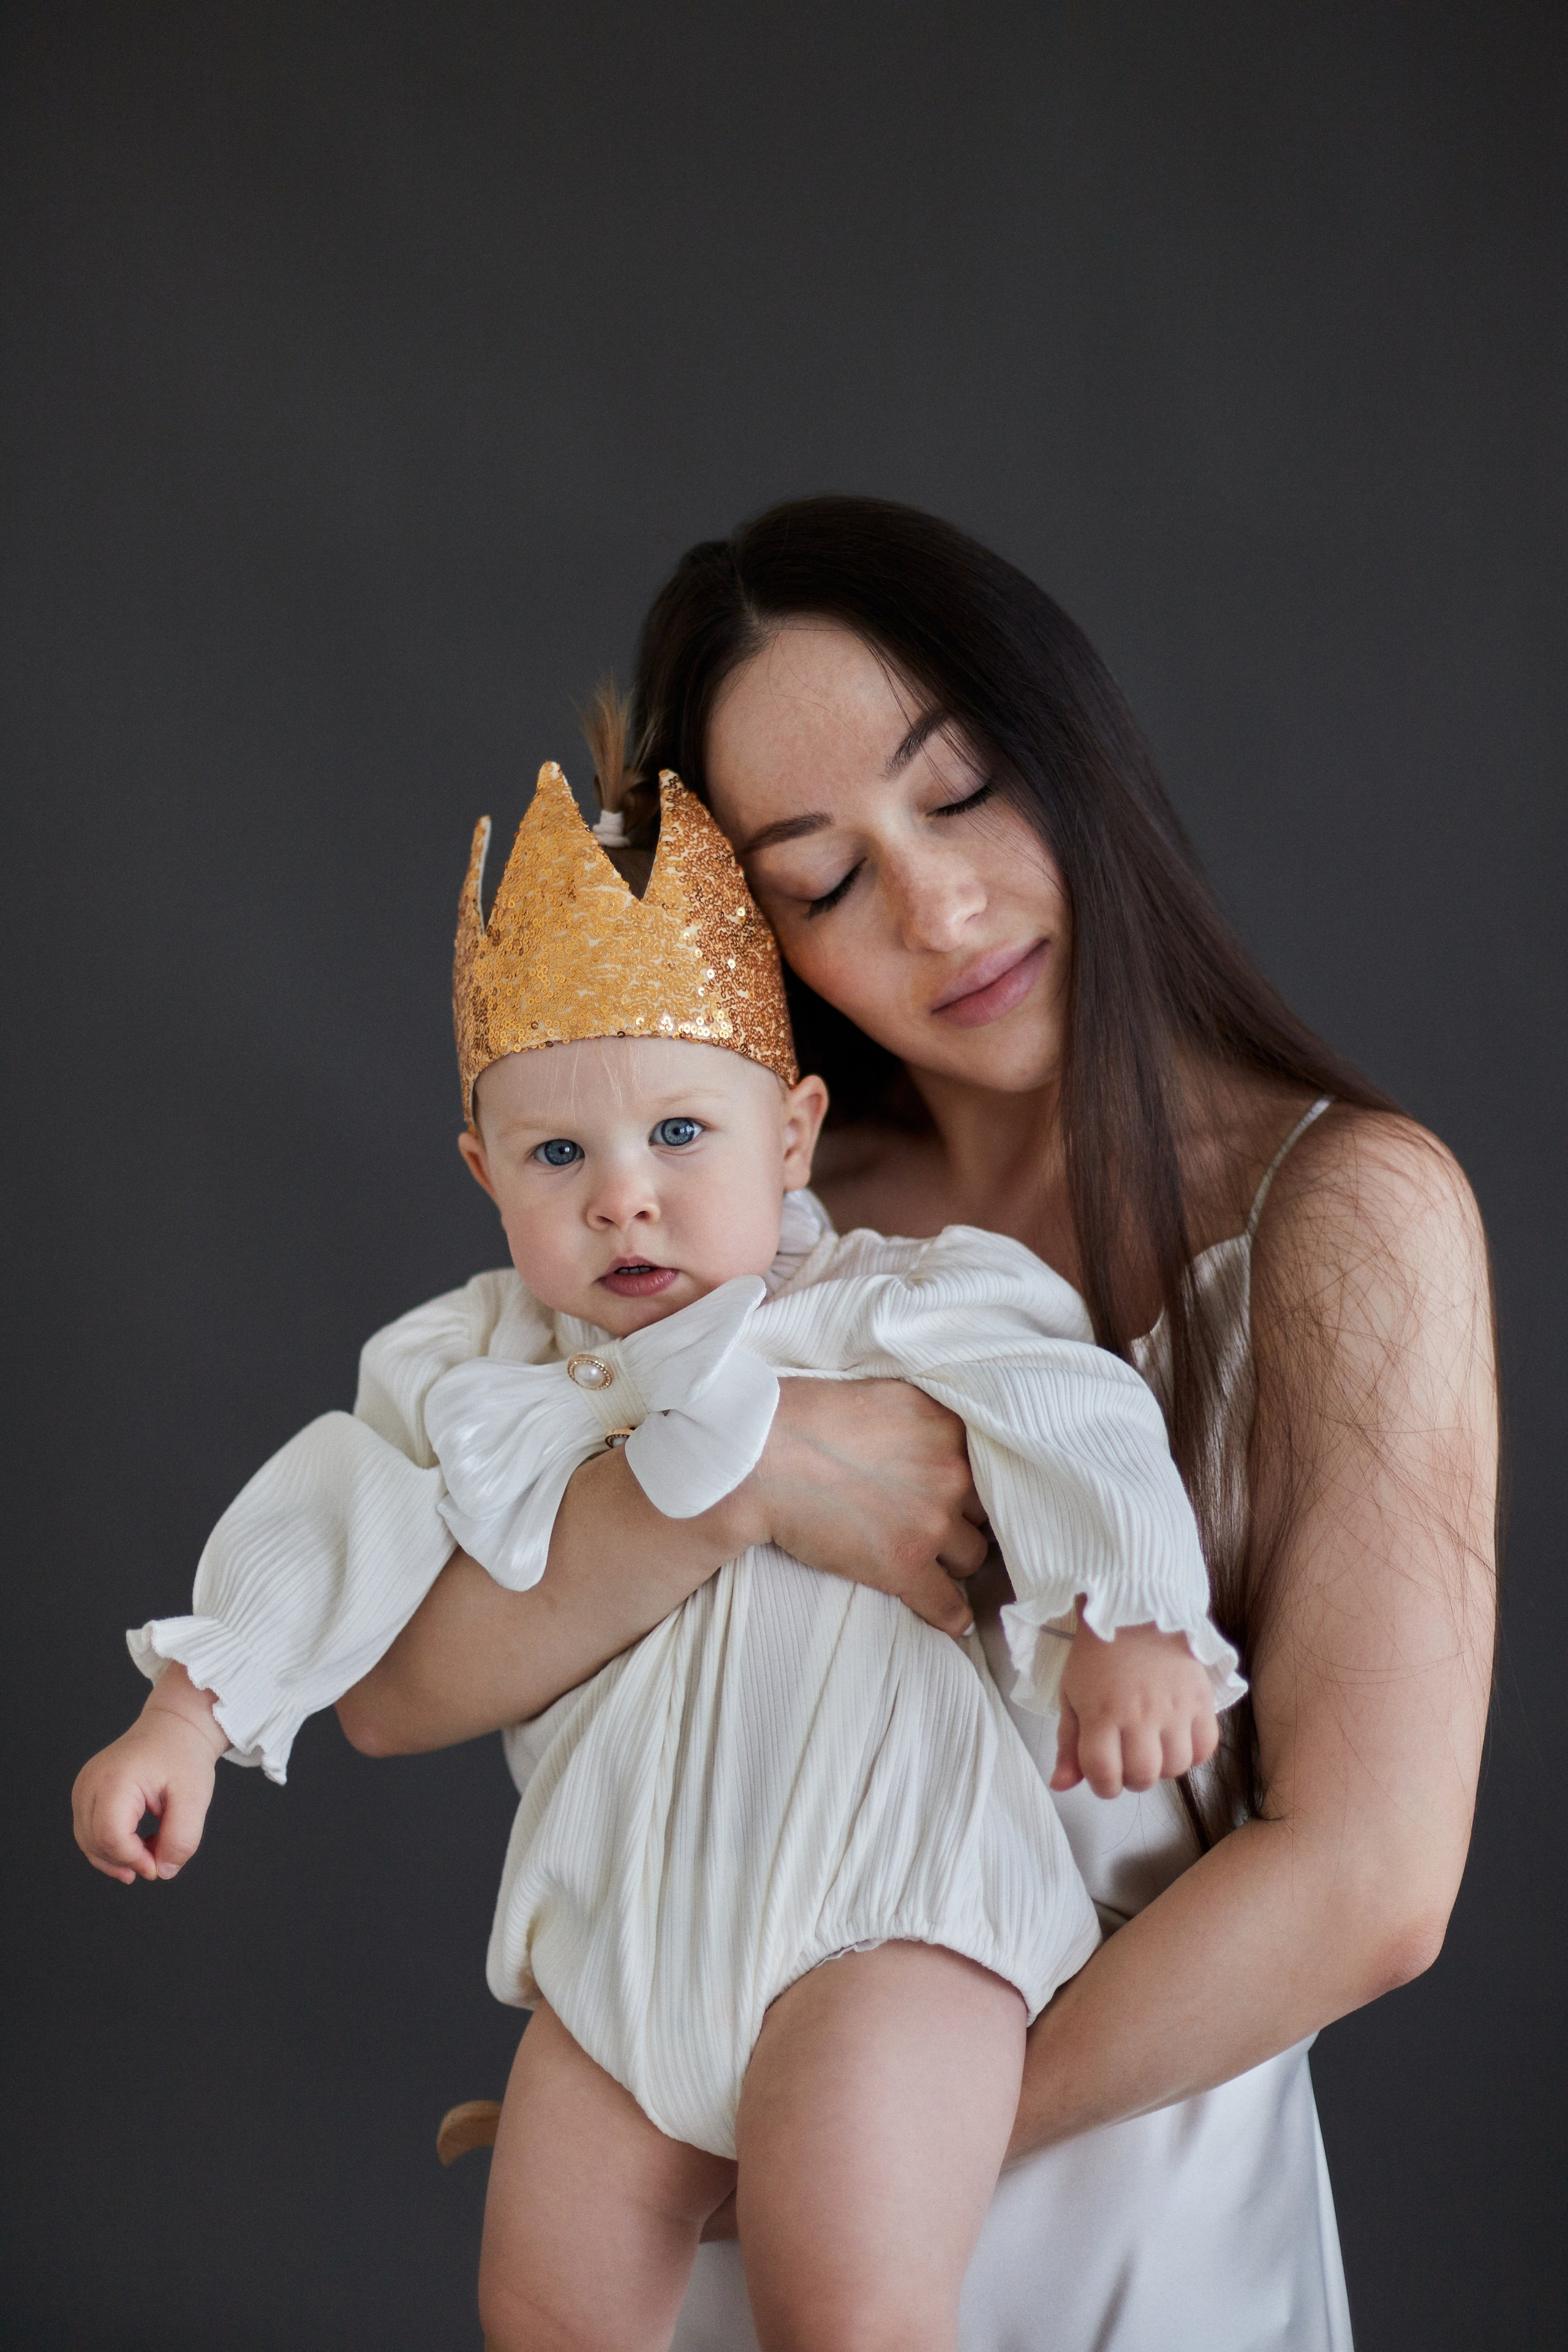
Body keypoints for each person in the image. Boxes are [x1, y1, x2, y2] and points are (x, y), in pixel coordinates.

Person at [325, 500, 1498, 2351]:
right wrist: (756, 1488)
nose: (938, 909)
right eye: (822, 876)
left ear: (1072, 753)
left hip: (1106, 2231)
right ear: (751, 936)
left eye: (959, 797)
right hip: (724, 2241)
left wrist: (848, 2159)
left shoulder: (1346, 1217)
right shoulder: (738, 1234)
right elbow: (393, 1679)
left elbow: (1367, 1885)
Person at [71, 748, 1239, 2352]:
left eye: (681, 1135)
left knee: (851, 2300)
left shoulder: (899, 1302)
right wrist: (191, 1713)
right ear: (485, 1176)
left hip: (886, 1915)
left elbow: (1073, 1411)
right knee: (543, 2304)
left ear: (794, 1136)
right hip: (618, 1945)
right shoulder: (472, 1373)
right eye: (560, 1161)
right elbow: (332, 1512)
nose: (626, 1202)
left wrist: (1127, 1618)